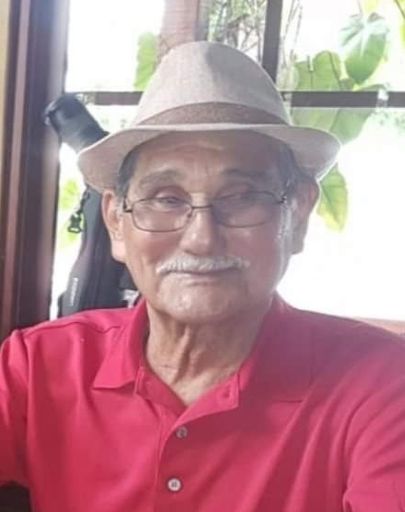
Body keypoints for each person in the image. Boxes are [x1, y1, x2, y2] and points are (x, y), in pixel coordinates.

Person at [1, 41, 404, 512]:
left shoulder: (381, 383)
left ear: (297, 215)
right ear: (115, 221)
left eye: (242, 196)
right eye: (165, 198)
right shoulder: (39, 365)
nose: (200, 238)